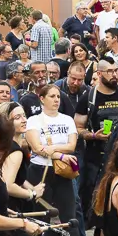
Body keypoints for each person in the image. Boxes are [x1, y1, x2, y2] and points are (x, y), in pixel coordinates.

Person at [25, 84, 79, 226]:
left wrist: (52, 148)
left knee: (69, 214)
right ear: (42, 99)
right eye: (52, 96)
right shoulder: (33, 120)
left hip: (63, 170)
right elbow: (37, 148)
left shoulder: (67, 120)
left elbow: (71, 146)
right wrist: (61, 155)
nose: (56, 100)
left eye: (58, 97)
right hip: (40, 169)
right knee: (41, 214)